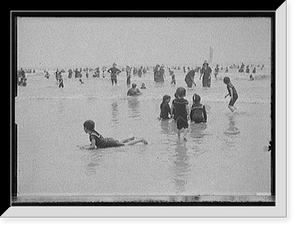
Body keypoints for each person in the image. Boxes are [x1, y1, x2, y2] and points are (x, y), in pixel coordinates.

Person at [80, 120, 148, 149]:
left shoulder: (92, 136)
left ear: (86, 128)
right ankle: (130, 138)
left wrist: (85, 148)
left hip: (109, 143)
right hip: (109, 141)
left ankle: (139, 140)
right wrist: (86, 146)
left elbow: (93, 146)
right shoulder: (94, 133)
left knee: (125, 145)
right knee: (119, 142)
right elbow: (93, 144)